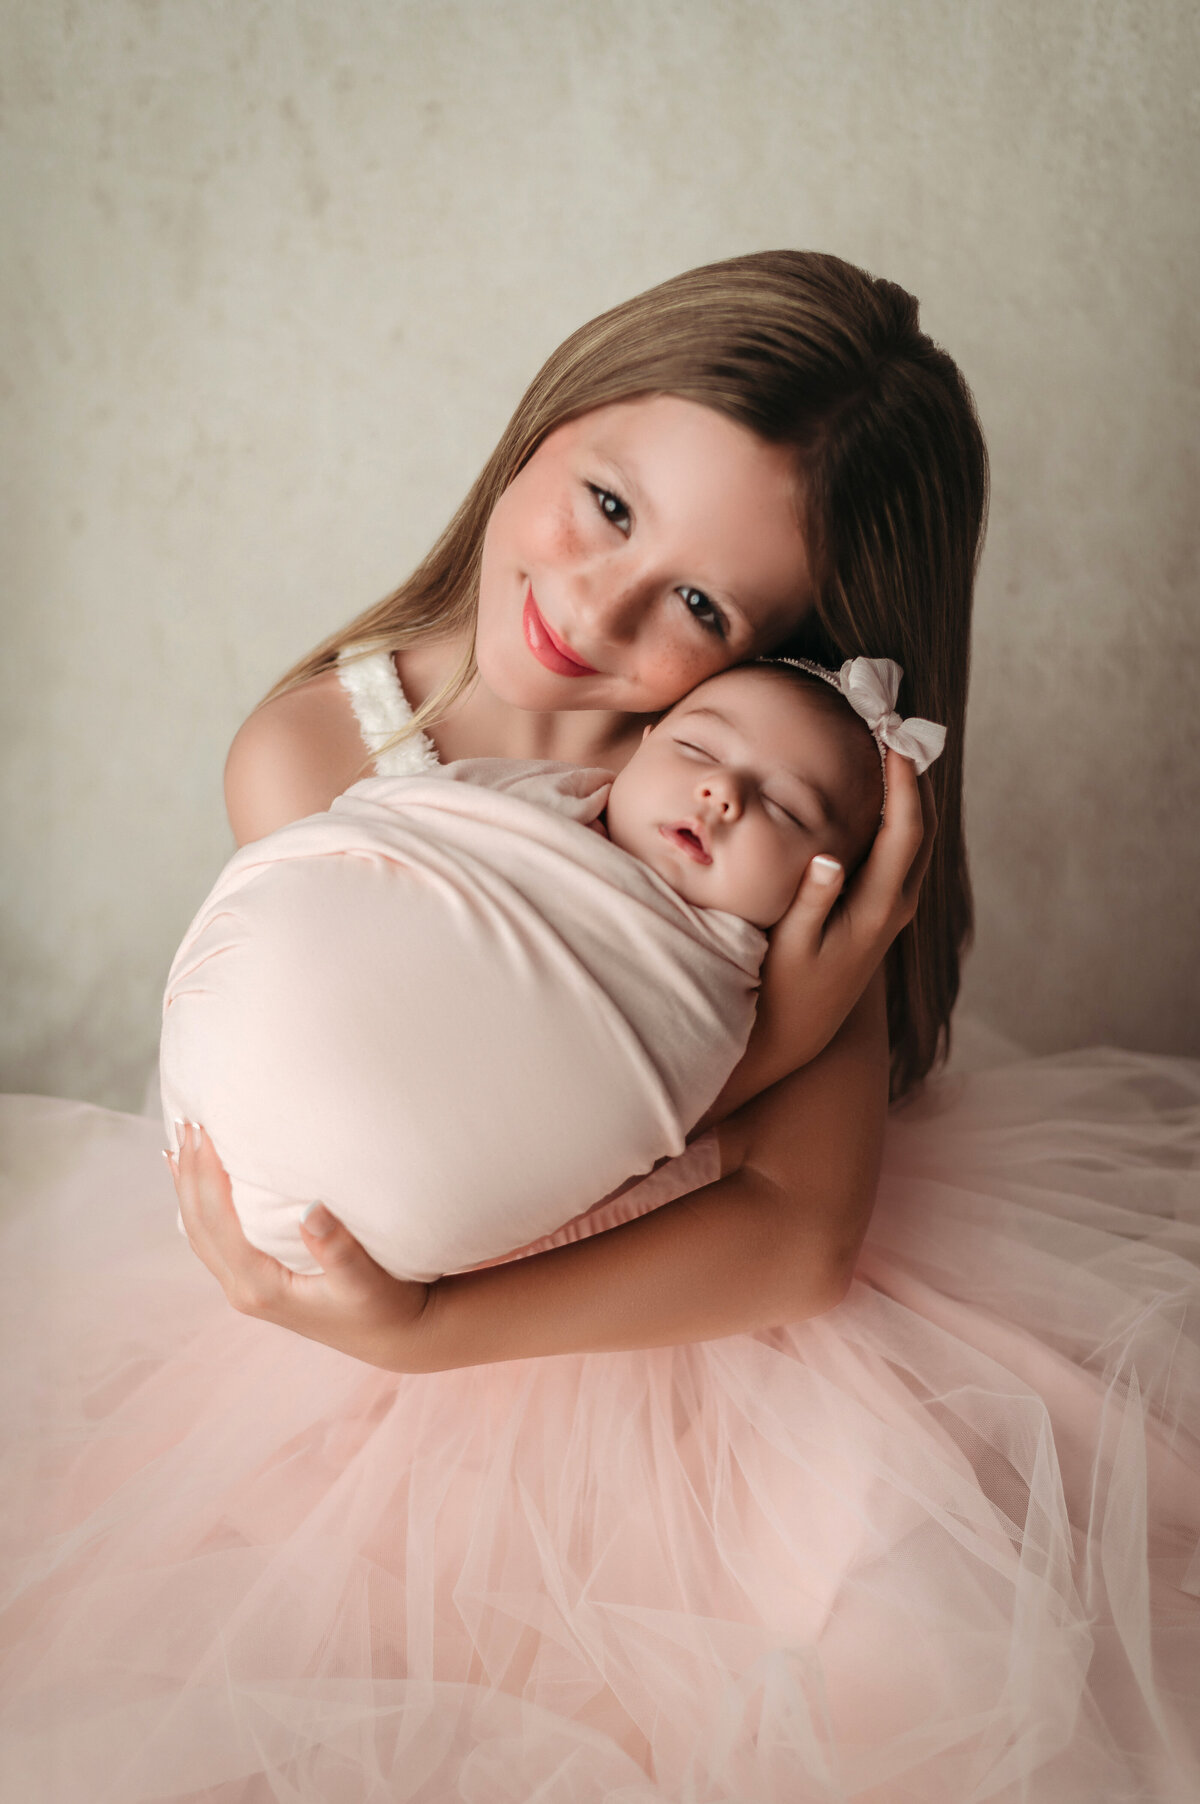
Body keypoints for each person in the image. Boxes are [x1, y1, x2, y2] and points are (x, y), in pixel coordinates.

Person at [3, 252, 1198, 1801]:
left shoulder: (748, 787)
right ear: (554, 419)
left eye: (700, 603)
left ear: (792, 642)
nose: (594, 605)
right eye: (610, 506)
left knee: (874, 1676)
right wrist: (778, 1037)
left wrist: (808, 998)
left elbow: (793, 1241)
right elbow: (433, 1185)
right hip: (381, 1368)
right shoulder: (317, 753)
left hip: (740, 1352)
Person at [161, 656, 942, 1284]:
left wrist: (771, 1037)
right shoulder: (511, 804)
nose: (723, 792)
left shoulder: (772, 976)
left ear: (827, 879)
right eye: (696, 749)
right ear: (643, 745)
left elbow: (793, 1242)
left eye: (788, 809)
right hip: (256, 1114)